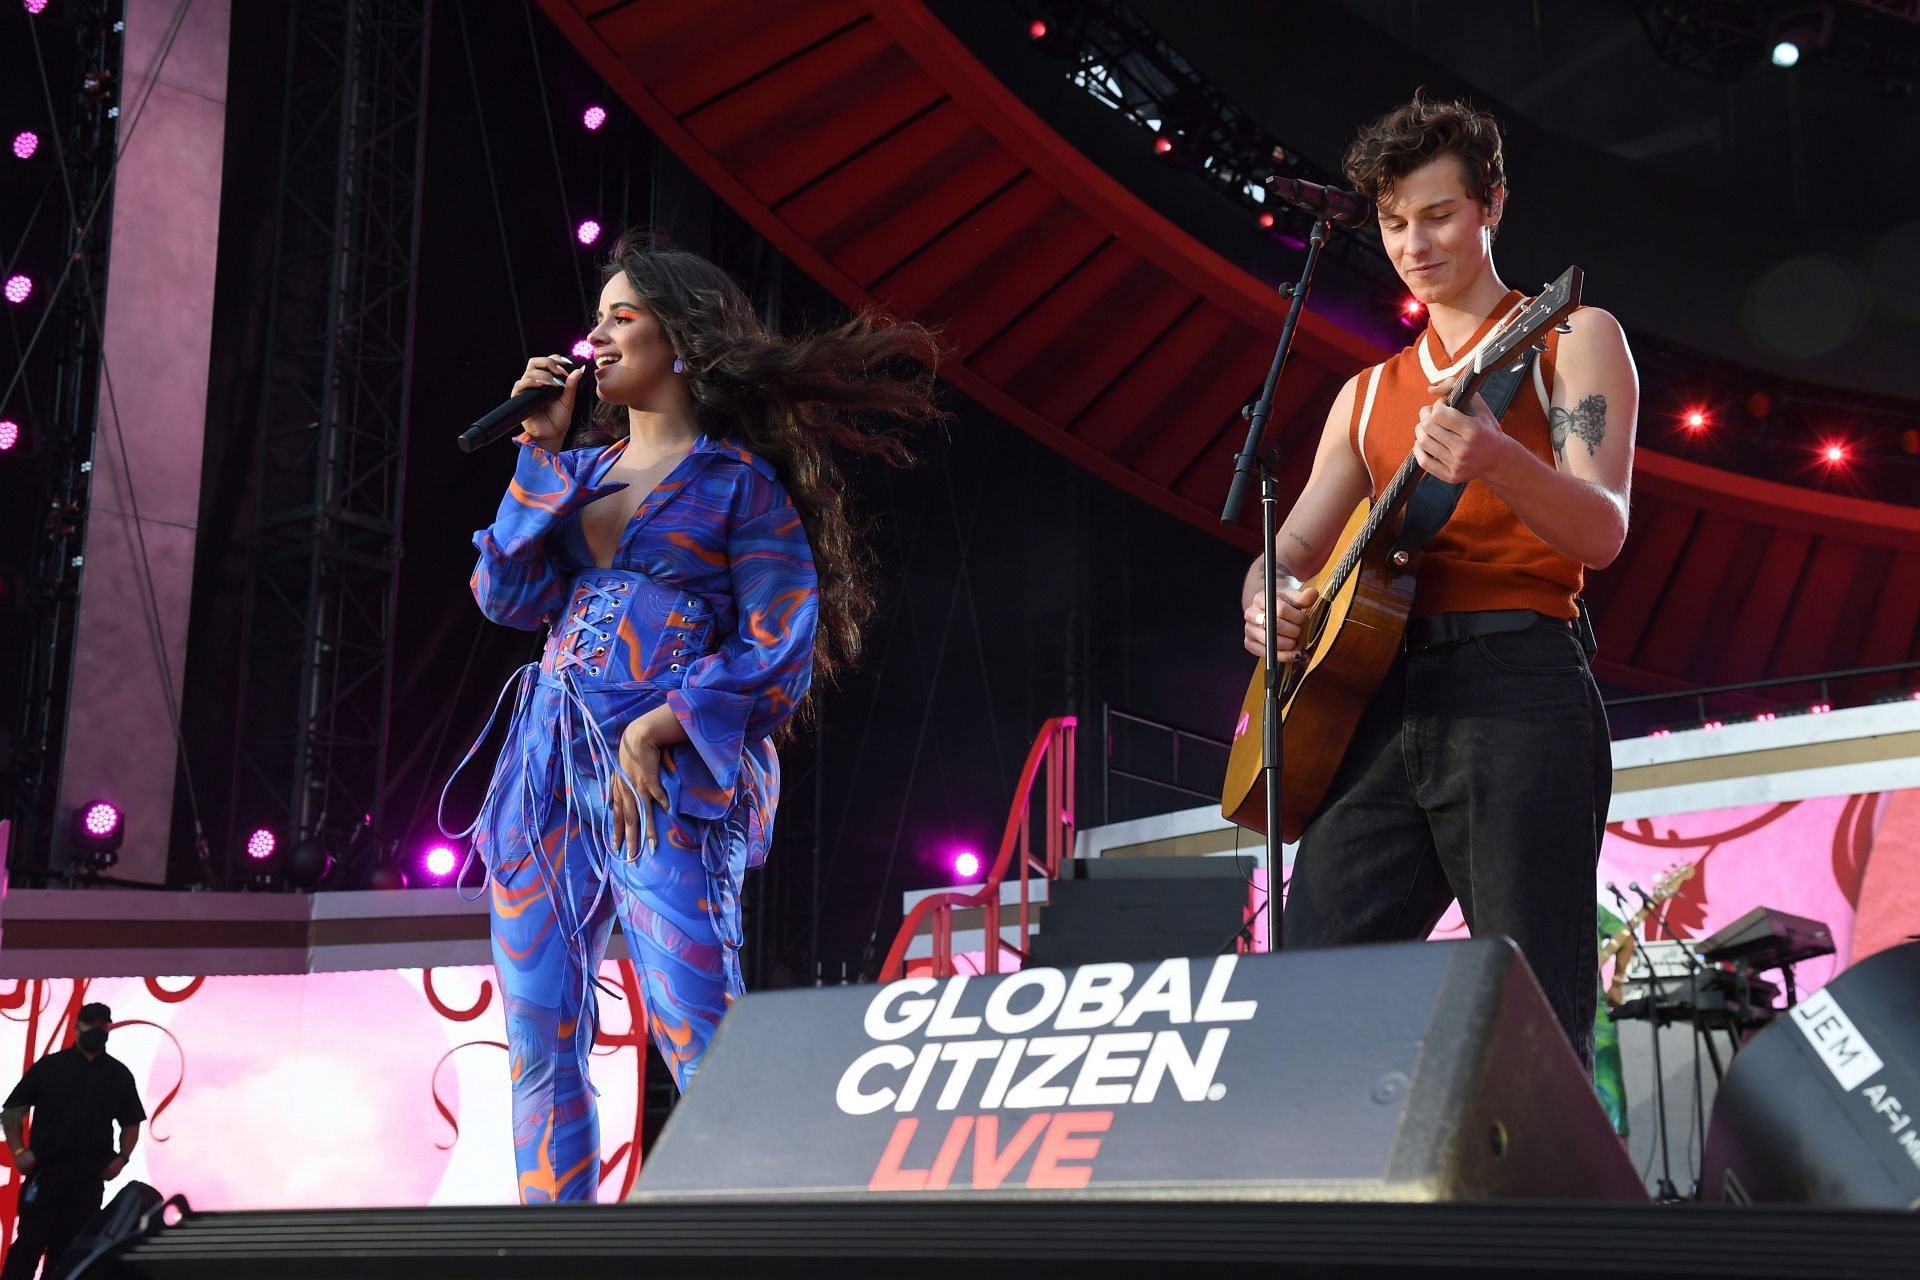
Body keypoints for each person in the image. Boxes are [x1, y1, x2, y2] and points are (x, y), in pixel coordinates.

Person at [444, 231, 940, 1203]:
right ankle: (556, 1241)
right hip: (543, 768)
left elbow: (782, 644)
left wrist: (661, 723)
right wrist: (538, 451)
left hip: (659, 781)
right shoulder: (573, 474)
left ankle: (749, 1231)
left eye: (620, 315)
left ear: (682, 339)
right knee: (539, 1033)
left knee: (695, 1024)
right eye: (597, 317)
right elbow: (503, 594)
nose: (596, 334)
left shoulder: (736, 484)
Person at [1239, 94, 1636, 1068]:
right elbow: (1286, 549)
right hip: (1370, 704)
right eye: (1393, 221)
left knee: (1528, 1003)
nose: (1413, 242)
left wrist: (1501, 462)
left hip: (1519, 684)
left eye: (1439, 214)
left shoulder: (1570, 335)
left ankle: (1542, 1216)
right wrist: (1263, 600)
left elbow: (1604, 528)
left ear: (1492, 204)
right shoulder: (1364, 393)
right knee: (1311, 995)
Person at [1, 1003, 145, 1279]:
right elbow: (12, 1112)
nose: (96, 1029)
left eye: (102, 1024)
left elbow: (131, 1122)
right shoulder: (51, 1066)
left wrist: (122, 1159)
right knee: (28, 1246)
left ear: (109, 1029)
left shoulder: (118, 1074)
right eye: (90, 1023)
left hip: (87, 1180)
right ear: (77, 1026)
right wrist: (19, 1151)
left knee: (70, 1253)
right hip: (45, 1174)